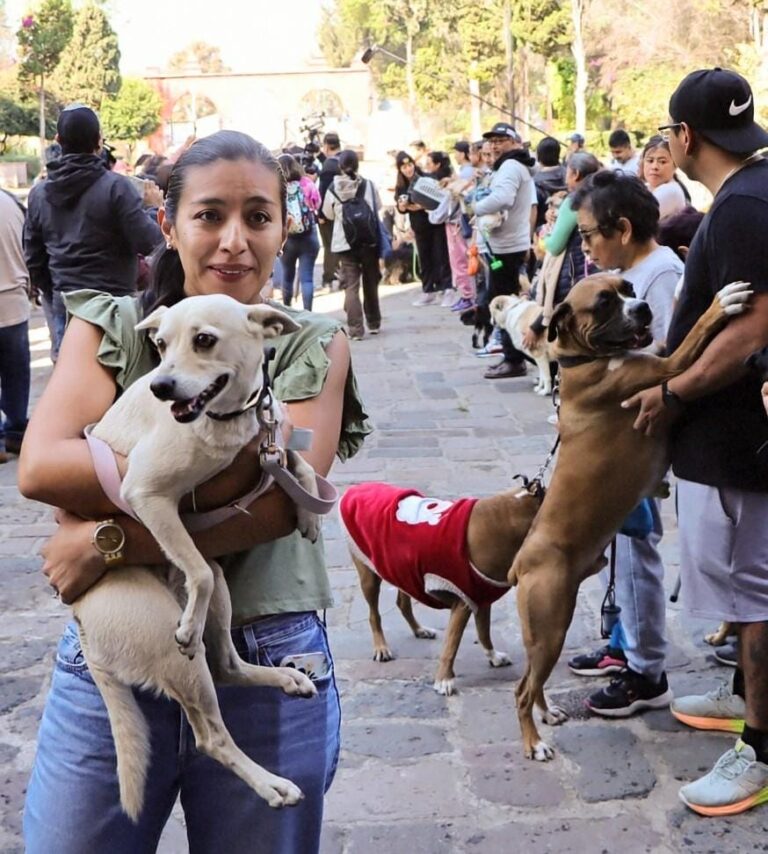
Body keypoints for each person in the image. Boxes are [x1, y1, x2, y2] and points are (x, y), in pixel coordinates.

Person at [19, 130, 371, 853]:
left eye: (258, 217)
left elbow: (277, 507)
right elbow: (42, 469)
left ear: (285, 228)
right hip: (122, 639)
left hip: (266, 641)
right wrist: (225, 475)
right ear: (169, 226)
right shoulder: (115, 325)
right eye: (210, 215)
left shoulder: (307, 338)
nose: (234, 240)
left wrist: (104, 541)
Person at [622, 68, 768, 816]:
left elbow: (752, 330)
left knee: (754, 594)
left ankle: (760, 750)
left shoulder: (742, 206)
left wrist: (674, 392)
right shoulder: (751, 193)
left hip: (737, 442)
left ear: (684, 137)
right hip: (731, 440)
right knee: (746, 592)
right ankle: (742, 690)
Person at [565, 170, 684, 717]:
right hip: (618, 440)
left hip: (640, 441)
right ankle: (624, 645)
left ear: (624, 229)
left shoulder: (659, 277)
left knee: (638, 550)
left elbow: (666, 358)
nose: (586, 246)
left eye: (589, 234)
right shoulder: (628, 276)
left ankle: (646, 669)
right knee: (621, 546)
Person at [23, 104, 162, 362]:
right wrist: (155, 209)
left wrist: (57, 292)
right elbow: (151, 241)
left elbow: (33, 258)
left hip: (67, 304)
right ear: (99, 141)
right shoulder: (117, 188)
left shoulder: (39, 194)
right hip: (114, 305)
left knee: (71, 377)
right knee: (120, 379)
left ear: (58, 140)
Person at [474, 121, 536, 380]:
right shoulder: (510, 165)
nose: (495, 145)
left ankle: (514, 359)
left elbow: (503, 199)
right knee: (506, 301)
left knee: (505, 305)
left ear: (514, 142)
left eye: (501, 140)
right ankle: (513, 356)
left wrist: (475, 207)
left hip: (508, 248)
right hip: (507, 245)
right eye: (492, 141)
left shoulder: (510, 166)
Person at [523, 151, 601, 351]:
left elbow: (556, 245)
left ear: (576, 174)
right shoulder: (603, 194)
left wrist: (543, 239)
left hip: (575, 273)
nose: (565, 179)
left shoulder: (575, 200)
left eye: (567, 173)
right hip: (599, 268)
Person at [322, 148, 383, 339]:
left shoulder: (333, 188)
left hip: (345, 243)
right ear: (357, 165)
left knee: (351, 286)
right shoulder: (368, 185)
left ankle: (356, 330)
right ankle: (373, 322)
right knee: (370, 283)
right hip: (368, 241)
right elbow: (377, 206)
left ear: (340, 166)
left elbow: (327, 214)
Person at [394, 151, 453, 307]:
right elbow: (400, 208)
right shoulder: (401, 187)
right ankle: (428, 291)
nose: (408, 169)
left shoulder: (427, 178)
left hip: (436, 223)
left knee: (441, 256)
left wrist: (420, 205)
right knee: (425, 259)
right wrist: (403, 206)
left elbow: (439, 197)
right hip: (419, 227)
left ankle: (447, 289)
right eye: (404, 167)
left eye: (409, 165)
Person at [0, 190, 31, 462]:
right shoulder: (9, 202)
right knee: (16, 372)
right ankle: (16, 431)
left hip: (13, 296)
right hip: (13, 300)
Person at [277, 153, 321, 311]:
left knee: (287, 275)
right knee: (307, 278)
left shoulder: (276, 187)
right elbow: (317, 204)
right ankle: (308, 312)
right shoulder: (306, 183)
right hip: (308, 236)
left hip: (286, 238)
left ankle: (287, 310)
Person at [317, 132, 342, 291]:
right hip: (345, 211)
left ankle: (328, 278)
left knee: (329, 246)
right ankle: (342, 274)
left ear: (326, 146)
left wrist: (320, 214)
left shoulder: (328, 166)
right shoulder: (346, 159)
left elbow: (323, 191)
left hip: (329, 212)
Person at [641, 135, 687, 219]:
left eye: (662, 162)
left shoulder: (670, 190)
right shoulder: (645, 187)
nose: (654, 167)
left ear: (675, 164)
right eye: (650, 161)